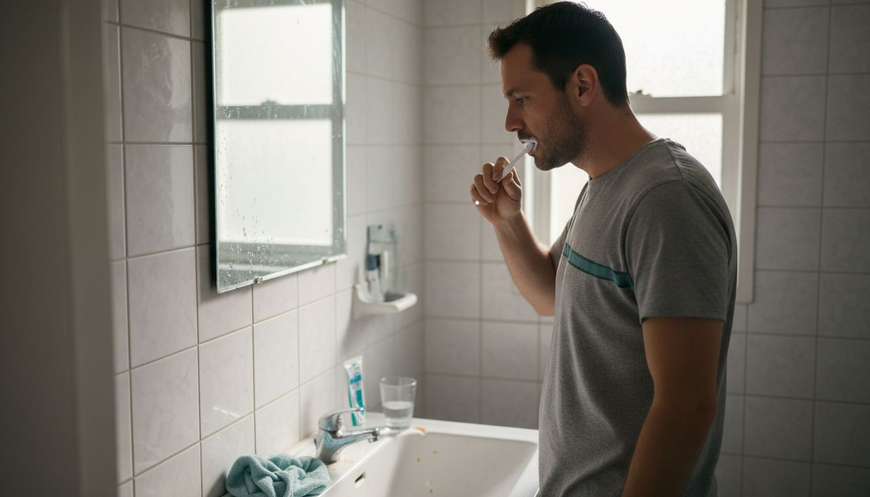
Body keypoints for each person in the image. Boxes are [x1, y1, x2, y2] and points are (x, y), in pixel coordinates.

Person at [470, 2, 737, 496]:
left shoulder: (666, 199)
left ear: (583, 85)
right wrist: (507, 223)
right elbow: (551, 296)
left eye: (522, 99)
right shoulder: (605, 184)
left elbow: (687, 405)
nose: (511, 122)